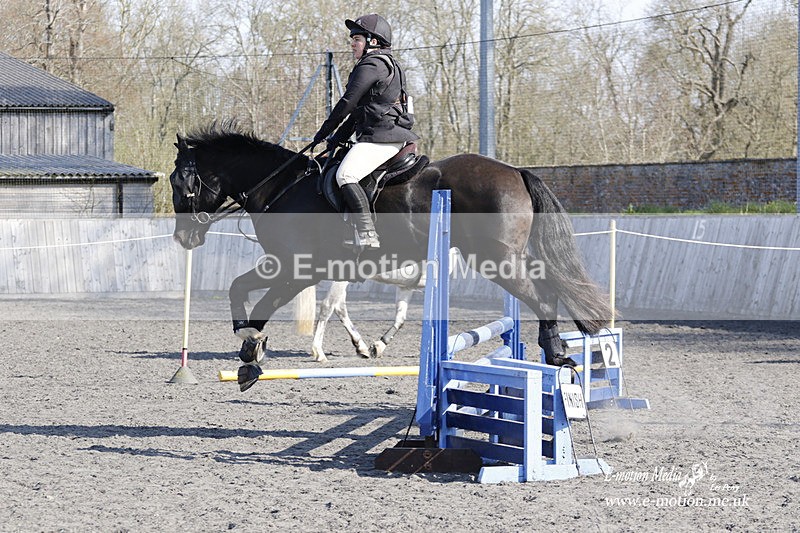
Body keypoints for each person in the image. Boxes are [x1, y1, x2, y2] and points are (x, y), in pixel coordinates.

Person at [312, 14, 419, 249]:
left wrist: (323, 131)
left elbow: (348, 103)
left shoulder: (372, 64)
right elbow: (361, 112)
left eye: (357, 38)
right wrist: (335, 138)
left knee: (345, 175)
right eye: (352, 39)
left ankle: (367, 233)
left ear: (373, 41)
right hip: (389, 134)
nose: (352, 43)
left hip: (383, 137)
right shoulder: (388, 63)